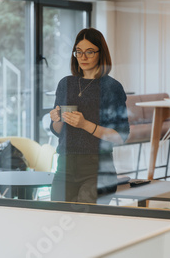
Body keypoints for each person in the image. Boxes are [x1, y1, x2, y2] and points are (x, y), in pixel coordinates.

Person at [49, 27, 129, 204]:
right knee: (56, 215)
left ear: (101, 54)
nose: (83, 57)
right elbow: (57, 131)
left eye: (89, 52)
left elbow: (120, 136)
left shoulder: (111, 87)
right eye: (79, 52)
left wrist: (85, 124)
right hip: (64, 167)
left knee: (85, 222)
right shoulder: (66, 84)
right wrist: (56, 119)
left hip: (99, 170)